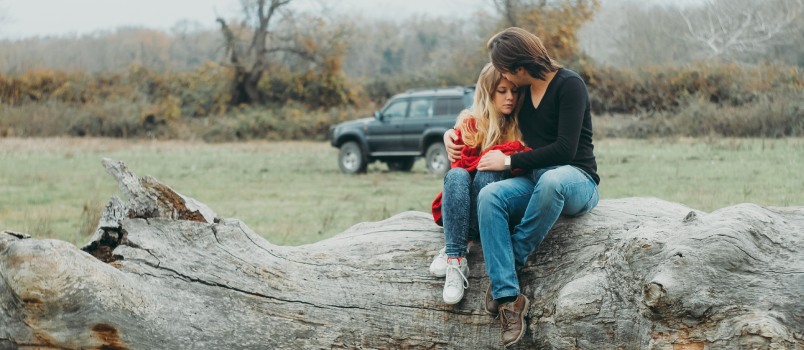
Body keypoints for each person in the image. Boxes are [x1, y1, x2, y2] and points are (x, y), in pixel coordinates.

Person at [444, 27, 600, 347]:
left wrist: (507, 163)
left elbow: (566, 149)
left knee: (552, 180)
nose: (504, 78)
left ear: (518, 66)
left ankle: (509, 263)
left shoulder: (570, 85)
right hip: (534, 179)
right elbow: (484, 112)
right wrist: (452, 133)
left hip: (575, 178)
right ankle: (509, 299)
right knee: (489, 196)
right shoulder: (523, 93)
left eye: (504, 68)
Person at [429, 62, 530, 305]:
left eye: (514, 91)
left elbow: (527, 160)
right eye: (502, 91)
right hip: (463, 209)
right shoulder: (470, 123)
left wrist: (503, 159)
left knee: (487, 173)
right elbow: (459, 170)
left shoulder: (521, 124)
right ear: (487, 92)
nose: (510, 98)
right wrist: (449, 135)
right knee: (456, 176)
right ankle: (456, 260)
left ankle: (456, 246)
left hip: (495, 213)